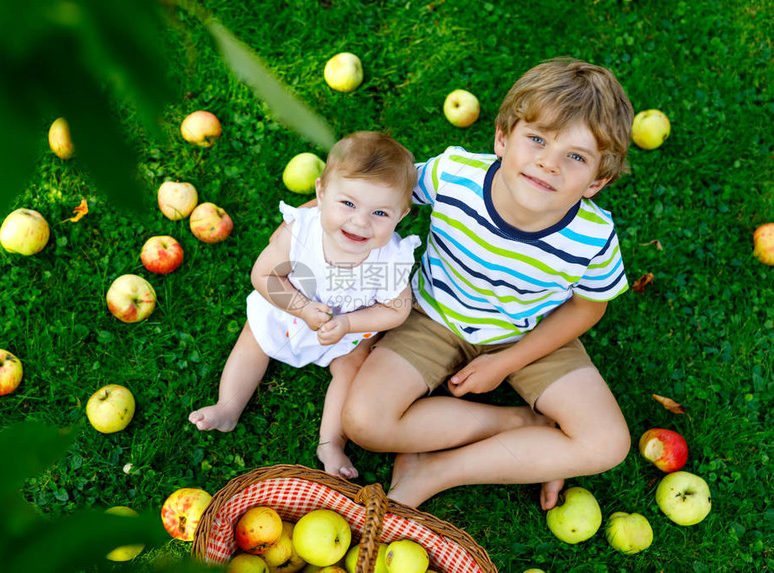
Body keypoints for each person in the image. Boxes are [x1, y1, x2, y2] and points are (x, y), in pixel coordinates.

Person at [340, 58, 635, 509]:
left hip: (530, 330)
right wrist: (311, 221)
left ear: (598, 180)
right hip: (432, 315)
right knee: (365, 422)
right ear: (501, 137)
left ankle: (438, 470)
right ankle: (519, 425)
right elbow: (381, 193)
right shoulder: (453, 176)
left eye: (574, 157)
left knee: (607, 443)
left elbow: (587, 307)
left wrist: (507, 362)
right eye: (536, 139)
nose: (547, 164)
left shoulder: (593, 237)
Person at [189, 131, 421, 479]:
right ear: (321, 193)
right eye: (348, 204)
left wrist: (348, 325)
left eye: (379, 213)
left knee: (353, 367)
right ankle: (228, 405)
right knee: (255, 334)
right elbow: (264, 274)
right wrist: (300, 307)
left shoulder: (390, 259)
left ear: (400, 216)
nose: (360, 222)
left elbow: (397, 309)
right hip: (290, 308)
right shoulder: (301, 230)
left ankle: (330, 443)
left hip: (345, 329)